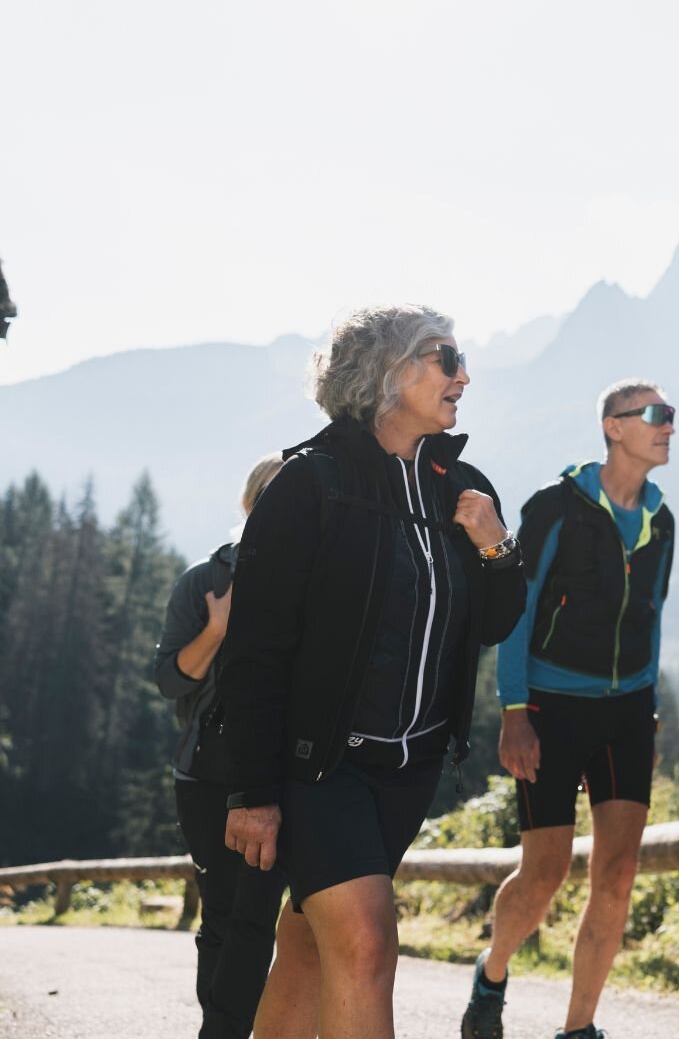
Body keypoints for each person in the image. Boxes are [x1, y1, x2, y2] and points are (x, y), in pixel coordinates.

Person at [217, 304, 526, 1039]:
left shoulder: (464, 487)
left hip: (408, 769)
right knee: (366, 941)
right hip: (320, 765)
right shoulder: (310, 483)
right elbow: (253, 650)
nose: (464, 376)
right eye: (446, 359)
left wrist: (496, 547)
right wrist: (253, 790)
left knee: (307, 949)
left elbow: (492, 624)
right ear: (392, 372)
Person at [460, 379, 677, 1039]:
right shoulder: (555, 507)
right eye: (656, 415)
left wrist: (651, 713)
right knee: (545, 872)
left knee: (617, 875)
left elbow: (654, 614)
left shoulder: (661, 519)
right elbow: (517, 613)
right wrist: (515, 710)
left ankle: (578, 1027)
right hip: (551, 709)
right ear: (614, 427)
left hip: (627, 713)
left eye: (670, 416)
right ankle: (493, 971)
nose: (669, 426)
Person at [150, 451, 287, 1039]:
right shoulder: (204, 582)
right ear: (252, 505)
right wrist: (217, 628)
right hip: (205, 774)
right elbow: (169, 681)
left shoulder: (317, 581)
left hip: (285, 772)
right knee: (223, 913)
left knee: (254, 916)